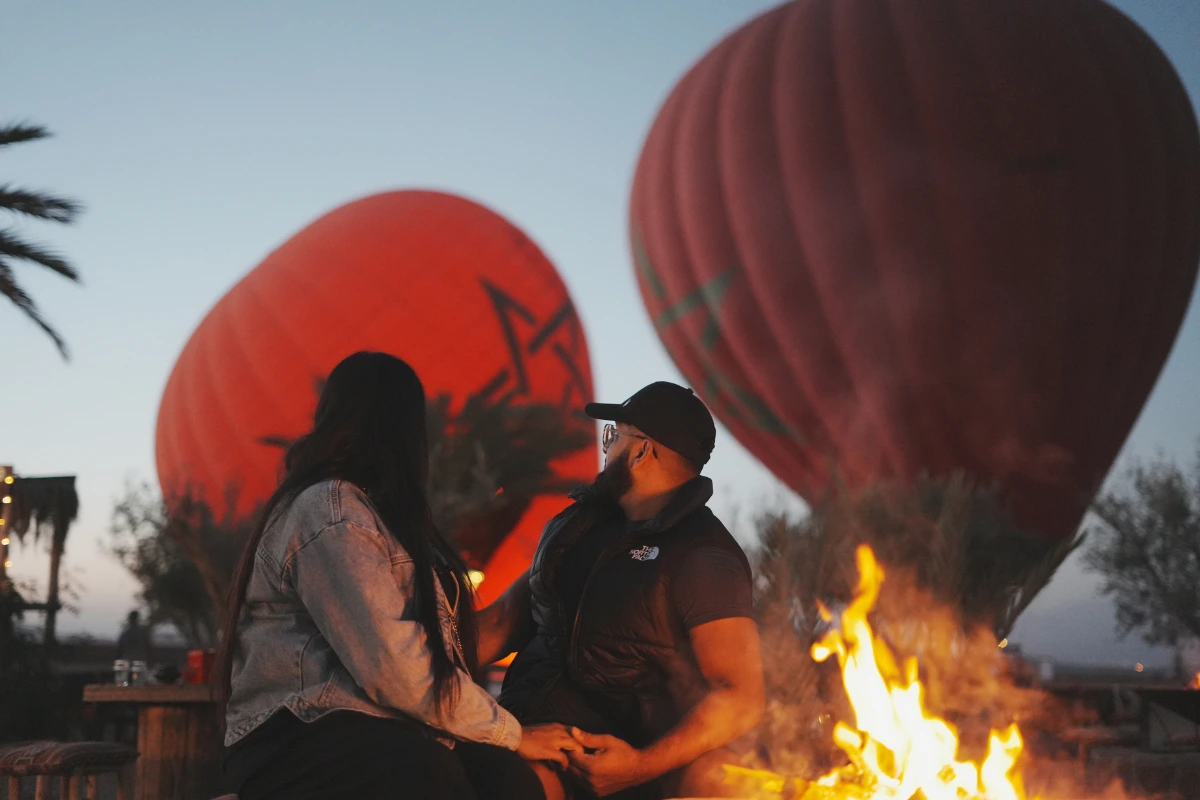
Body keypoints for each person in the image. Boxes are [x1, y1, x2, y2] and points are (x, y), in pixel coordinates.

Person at [218, 351, 578, 800]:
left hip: (382, 727)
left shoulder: (390, 522)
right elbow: (393, 666)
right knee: (427, 772)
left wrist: (558, 557)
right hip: (296, 731)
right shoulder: (329, 510)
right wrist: (513, 733)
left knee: (509, 781)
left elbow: (441, 653)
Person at [477, 382, 765, 799]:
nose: (606, 446)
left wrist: (640, 765)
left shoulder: (702, 556)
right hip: (533, 735)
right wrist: (416, 681)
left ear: (642, 451)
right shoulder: (574, 526)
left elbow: (740, 697)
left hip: (636, 756)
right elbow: (501, 621)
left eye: (613, 434)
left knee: (722, 780)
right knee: (493, 774)